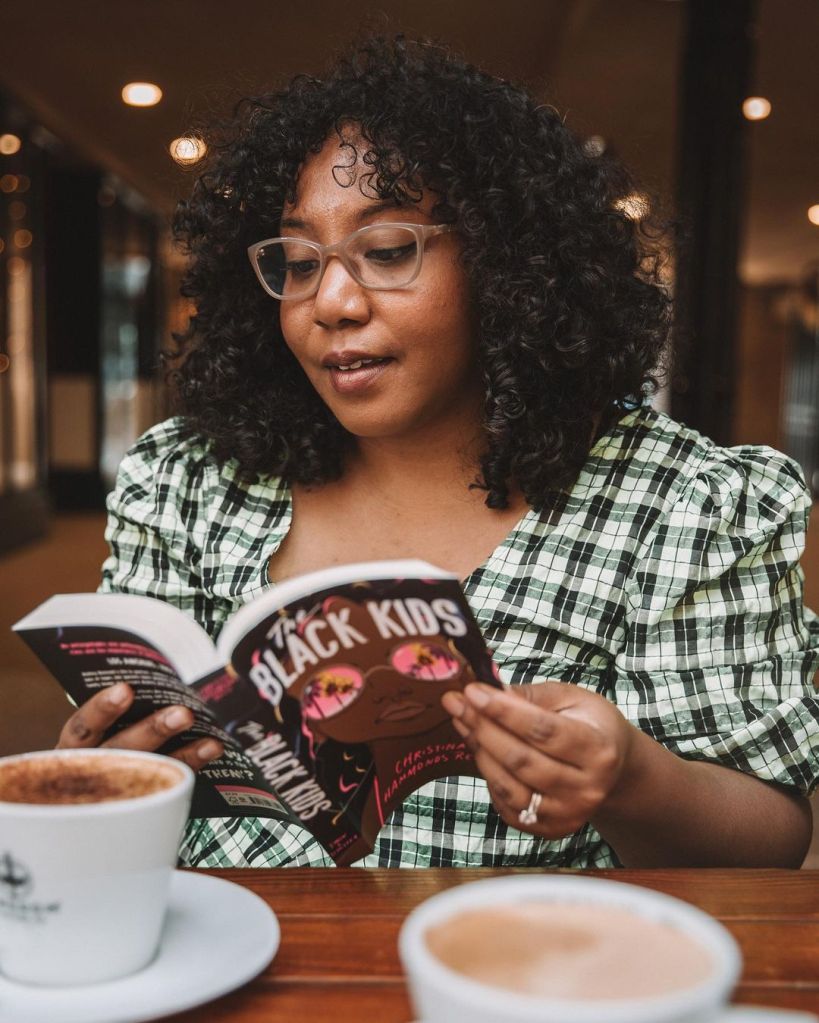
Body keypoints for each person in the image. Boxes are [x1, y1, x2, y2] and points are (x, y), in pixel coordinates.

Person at [56, 35, 819, 868]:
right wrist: (111, 766)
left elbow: (771, 840)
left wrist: (632, 776)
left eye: (386, 251)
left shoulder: (682, 505)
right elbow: (140, 807)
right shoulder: (187, 482)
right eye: (299, 261)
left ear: (505, 263)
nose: (331, 301)